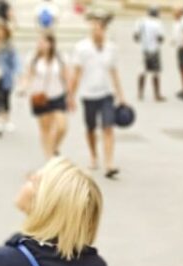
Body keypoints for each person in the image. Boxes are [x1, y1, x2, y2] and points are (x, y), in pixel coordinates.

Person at [69, 11, 126, 179]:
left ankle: (109, 163)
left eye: (99, 28)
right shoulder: (81, 48)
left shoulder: (111, 48)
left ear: (104, 29)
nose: (96, 31)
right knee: (91, 128)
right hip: (88, 93)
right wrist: (71, 95)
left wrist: (121, 95)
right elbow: (77, 73)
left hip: (106, 93)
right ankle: (94, 155)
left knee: (108, 127)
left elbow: (114, 72)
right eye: (93, 27)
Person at [21, 32, 71, 157]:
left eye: (43, 42)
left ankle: (54, 146)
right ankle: (48, 156)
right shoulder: (33, 58)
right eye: (39, 42)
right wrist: (24, 87)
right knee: (45, 129)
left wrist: (70, 94)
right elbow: (28, 75)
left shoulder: (60, 58)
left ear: (51, 44)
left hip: (57, 94)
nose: (40, 45)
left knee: (62, 126)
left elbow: (66, 76)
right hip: (39, 96)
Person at [133, 5, 166, 101]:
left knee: (142, 71)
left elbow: (136, 37)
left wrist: (143, 39)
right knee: (155, 72)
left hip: (143, 50)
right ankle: (157, 95)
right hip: (154, 50)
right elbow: (160, 38)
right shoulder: (158, 23)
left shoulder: (140, 22)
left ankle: (140, 93)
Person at [171, 5, 183, 99]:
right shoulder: (178, 21)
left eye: (175, 12)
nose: (173, 14)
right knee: (181, 68)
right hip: (180, 47)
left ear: (181, 13)